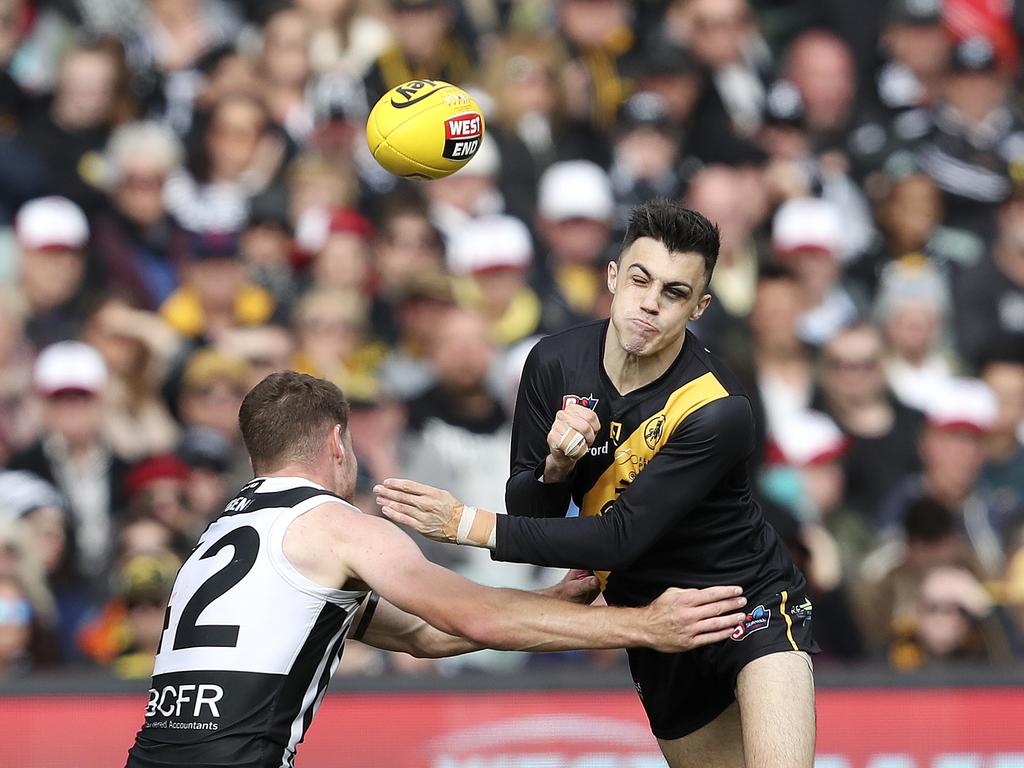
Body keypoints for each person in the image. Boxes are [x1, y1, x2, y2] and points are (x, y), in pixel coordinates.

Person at [375, 200, 818, 768]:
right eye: (640, 279)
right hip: (653, 621)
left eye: (675, 293)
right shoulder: (552, 363)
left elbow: (620, 540)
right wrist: (557, 466)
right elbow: (531, 504)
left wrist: (465, 524)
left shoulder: (716, 408)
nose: (651, 304)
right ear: (612, 277)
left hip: (746, 602)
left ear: (701, 306)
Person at [124, 370, 748, 767]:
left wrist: (560, 599)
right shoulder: (337, 525)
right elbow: (471, 614)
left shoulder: (222, 534)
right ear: (338, 444)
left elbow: (423, 634)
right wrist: (646, 626)